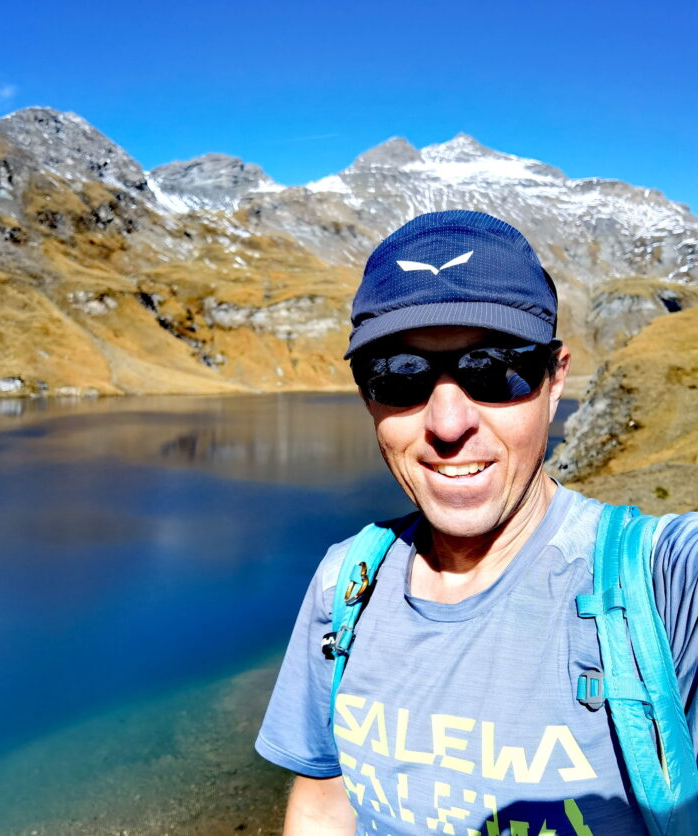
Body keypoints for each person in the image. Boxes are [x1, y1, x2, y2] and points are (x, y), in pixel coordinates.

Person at [255, 210, 698, 835]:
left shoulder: (660, 583)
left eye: (494, 368)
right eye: (398, 375)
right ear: (365, 395)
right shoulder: (346, 582)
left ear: (555, 380)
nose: (446, 423)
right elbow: (326, 797)